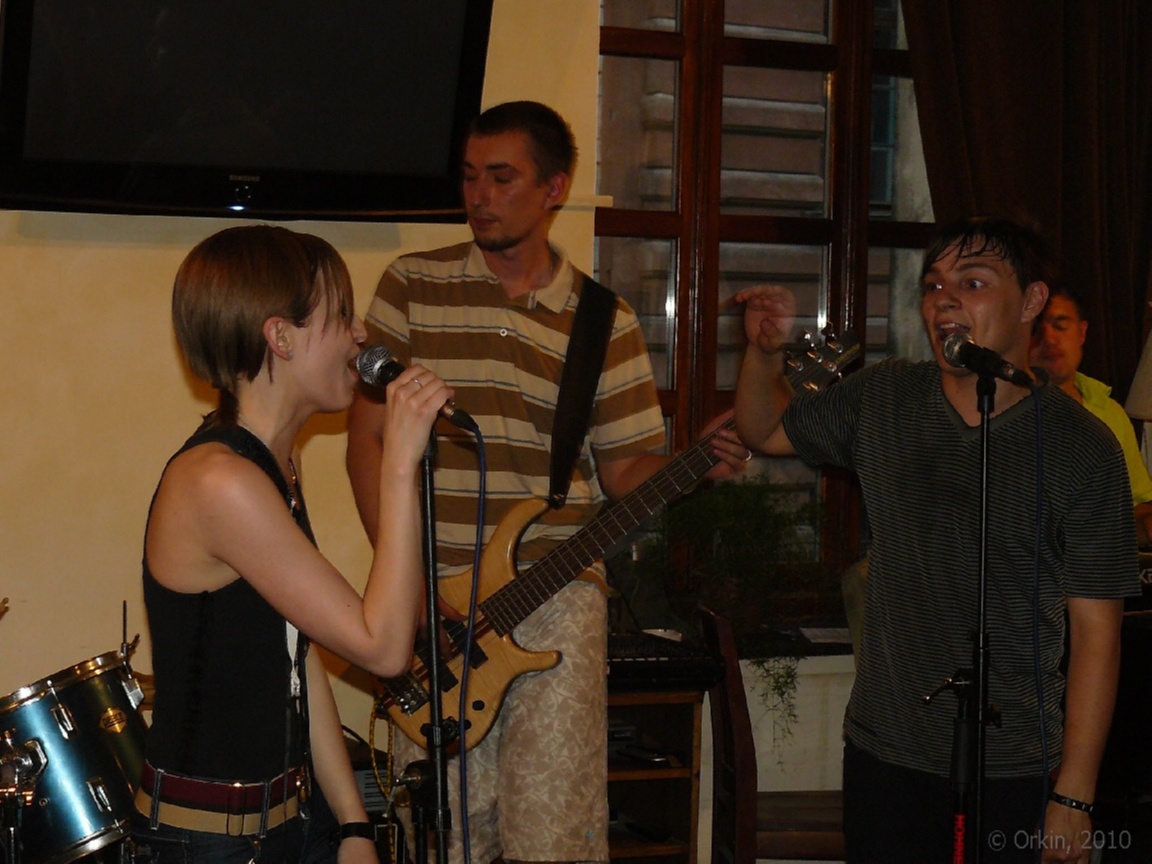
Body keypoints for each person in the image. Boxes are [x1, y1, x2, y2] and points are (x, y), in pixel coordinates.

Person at [345, 100, 749, 864]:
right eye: (470, 177)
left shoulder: (604, 320)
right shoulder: (411, 285)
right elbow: (365, 441)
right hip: (437, 603)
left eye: (502, 178)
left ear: (554, 188)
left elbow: (624, 473)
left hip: (558, 597)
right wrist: (408, 581)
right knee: (445, 833)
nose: (479, 196)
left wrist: (693, 464)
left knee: (553, 833)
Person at [734, 215, 1139, 863]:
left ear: (1031, 301)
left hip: (1015, 763)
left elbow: (1098, 635)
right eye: (932, 286)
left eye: (971, 283)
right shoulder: (885, 396)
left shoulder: (1082, 447)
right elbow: (765, 430)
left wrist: (1076, 795)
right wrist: (762, 357)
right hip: (886, 752)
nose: (943, 300)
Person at [131, 225, 448, 863]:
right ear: (280, 337)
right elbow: (384, 648)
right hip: (208, 842)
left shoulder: (273, 464)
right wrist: (396, 467)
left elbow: (296, 655)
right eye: (341, 315)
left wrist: (354, 824)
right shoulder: (220, 482)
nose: (360, 334)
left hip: (286, 825)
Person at [1030, 285, 1152, 544]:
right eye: (1037, 329)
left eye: (1060, 326)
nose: (1049, 339)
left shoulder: (1110, 413)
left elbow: (1137, 504)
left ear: (1082, 332)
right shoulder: (999, 409)